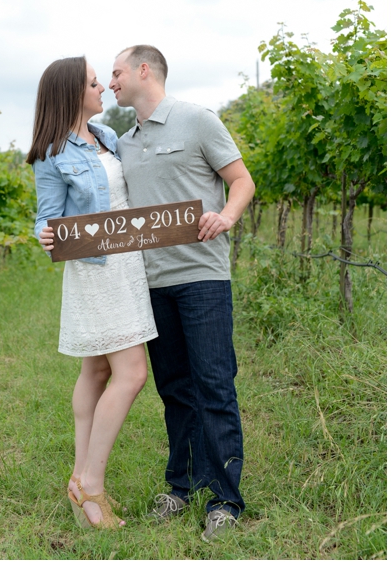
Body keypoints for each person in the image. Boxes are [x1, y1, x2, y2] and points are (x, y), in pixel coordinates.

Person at [109, 44, 256, 543]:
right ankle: (183, 483)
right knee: (174, 387)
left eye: (116, 73)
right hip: (151, 283)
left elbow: (241, 181)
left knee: (214, 383)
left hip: (203, 278)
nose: (111, 83)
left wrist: (227, 216)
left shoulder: (197, 120)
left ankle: (224, 499)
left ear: (143, 70)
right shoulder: (124, 143)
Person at [29, 56, 157, 530]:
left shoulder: (106, 138)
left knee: (98, 369)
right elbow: (46, 217)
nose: (102, 86)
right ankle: (92, 483)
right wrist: (45, 235)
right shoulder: (52, 152)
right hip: (97, 269)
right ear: (71, 92)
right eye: (93, 82)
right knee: (132, 374)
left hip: (127, 265)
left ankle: (78, 482)